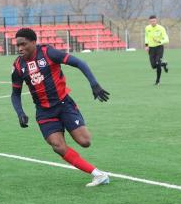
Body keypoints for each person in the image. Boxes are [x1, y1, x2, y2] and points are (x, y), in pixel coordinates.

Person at [10, 28, 111, 187]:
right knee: (57, 145)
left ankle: (71, 124)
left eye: (23, 44)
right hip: (44, 112)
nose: (20, 48)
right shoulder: (17, 65)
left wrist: (94, 84)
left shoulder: (48, 52)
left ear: (34, 42)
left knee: (85, 141)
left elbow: (79, 62)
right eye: (18, 45)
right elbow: (15, 94)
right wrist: (20, 113)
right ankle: (97, 174)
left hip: (64, 104)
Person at [144, 15, 169, 85]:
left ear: (156, 21)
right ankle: (164, 64)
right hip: (151, 49)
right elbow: (146, 37)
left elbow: (167, 39)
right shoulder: (147, 28)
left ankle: (157, 81)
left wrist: (159, 42)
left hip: (159, 47)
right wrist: (146, 45)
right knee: (153, 66)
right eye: (151, 21)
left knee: (158, 63)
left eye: (154, 21)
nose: (153, 22)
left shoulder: (161, 28)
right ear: (149, 21)